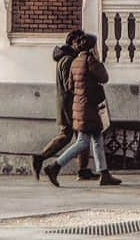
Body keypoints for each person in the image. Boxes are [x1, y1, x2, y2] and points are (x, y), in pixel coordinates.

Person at [42, 31, 122, 187]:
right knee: (82, 142)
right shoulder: (90, 61)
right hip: (89, 108)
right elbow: (104, 78)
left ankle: (104, 174)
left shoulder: (75, 62)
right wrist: (97, 61)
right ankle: (54, 167)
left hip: (79, 106)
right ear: (92, 47)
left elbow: (71, 86)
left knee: (97, 140)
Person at [31, 30, 96, 180]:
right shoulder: (68, 60)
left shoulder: (66, 58)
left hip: (69, 103)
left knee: (81, 135)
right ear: (72, 42)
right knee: (70, 135)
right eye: (78, 41)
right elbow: (70, 86)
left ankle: (83, 170)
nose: (81, 43)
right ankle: (40, 158)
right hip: (68, 104)